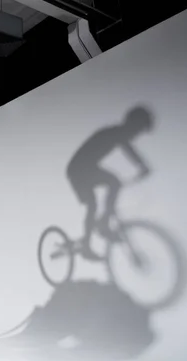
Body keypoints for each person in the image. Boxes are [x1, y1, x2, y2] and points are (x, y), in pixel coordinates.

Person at [66, 106, 154, 260]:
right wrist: (142, 165)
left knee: (114, 183)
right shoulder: (116, 132)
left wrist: (142, 166)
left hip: (86, 167)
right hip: (77, 170)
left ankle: (102, 223)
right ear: (131, 123)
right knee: (94, 203)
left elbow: (128, 147)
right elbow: (129, 149)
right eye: (138, 129)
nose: (137, 134)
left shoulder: (118, 133)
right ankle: (88, 244)